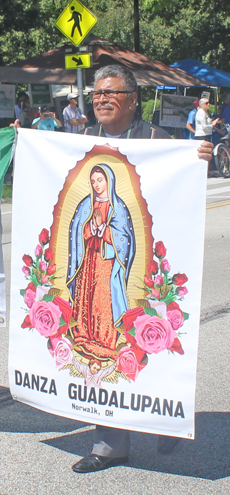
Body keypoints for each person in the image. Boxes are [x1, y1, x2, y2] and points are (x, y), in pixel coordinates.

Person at [67, 65, 213, 473]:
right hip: (91, 269)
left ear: (132, 99)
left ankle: (163, 416)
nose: (100, 100)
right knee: (103, 349)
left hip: (132, 267)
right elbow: (75, 213)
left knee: (148, 341)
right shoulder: (77, 142)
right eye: (96, 93)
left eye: (110, 93)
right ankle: (108, 445)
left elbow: (166, 200)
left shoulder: (156, 140)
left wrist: (195, 157)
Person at [68, 164, 134, 361]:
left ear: (109, 180)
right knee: (86, 296)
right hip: (88, 259)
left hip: (106, 262)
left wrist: (105, 230)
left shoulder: (118, 206)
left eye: (100, 180)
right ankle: (83, 336)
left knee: (103, 300)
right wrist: (90, 227)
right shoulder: (86, 204)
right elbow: (76, 230)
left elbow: (124, 238)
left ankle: (105, 342)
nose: (96, 185)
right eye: (93, 181)